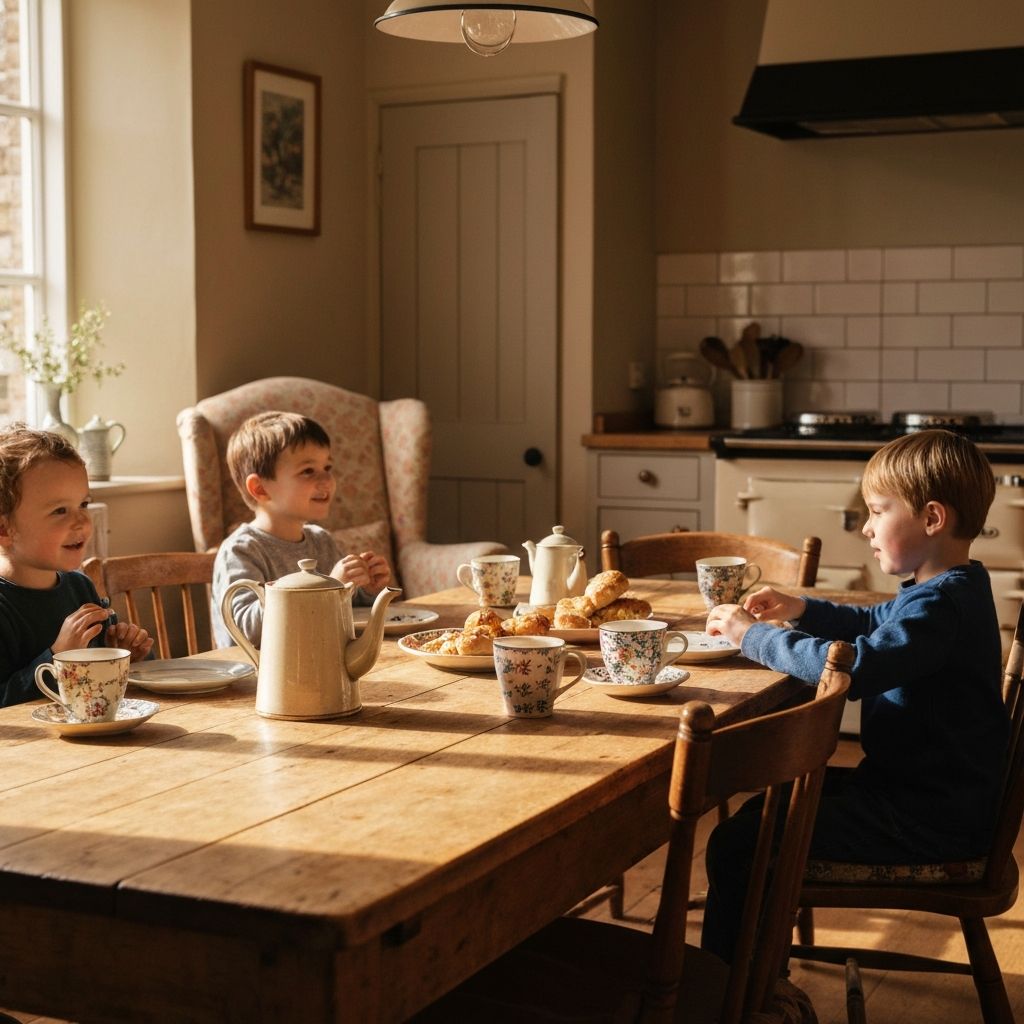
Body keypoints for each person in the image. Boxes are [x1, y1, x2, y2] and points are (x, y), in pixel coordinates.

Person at [701, 428, 1010, 963]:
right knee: (761, 815)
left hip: (928, 822)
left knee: (738, 844)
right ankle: (756, 979)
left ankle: (729, 997)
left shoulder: (940, 607)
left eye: (876, 511)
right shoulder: (950, 586)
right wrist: (802, 609)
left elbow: (854, 668)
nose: (865, 526)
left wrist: (750, 638)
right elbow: (873, 621)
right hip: (926, 797)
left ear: (932, 518)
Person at [0, 425, 153, 707]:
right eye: (60, 510)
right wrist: (58, 656)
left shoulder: (80, 586)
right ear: (4, 528)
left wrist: (123, 652)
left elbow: (98, 683)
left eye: (83, 504)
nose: (82, 521)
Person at [212, 411, 393, 648]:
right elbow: (246, 632)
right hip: (258, 680)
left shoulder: (321, 541)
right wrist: (327, 587)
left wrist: (366, 590)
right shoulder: (242, 551)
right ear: (260, 488)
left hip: (319, 667)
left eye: (328, 467)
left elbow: (344, 613)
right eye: (308, 471)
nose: (327, 480)